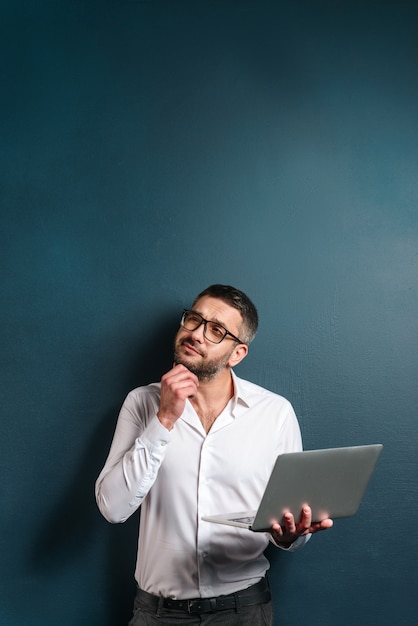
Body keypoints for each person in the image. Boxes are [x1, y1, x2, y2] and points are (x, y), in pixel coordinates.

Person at [95, 284, 333, 625]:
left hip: (244, 611)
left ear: (237, 353)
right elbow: (113, 508)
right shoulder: (142, 403)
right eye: (193, 319)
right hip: (158, 614)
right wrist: (164, 419)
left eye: (216, 330)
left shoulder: (275, 413)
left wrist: (290, 537)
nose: (196, 334)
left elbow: (291, 521)